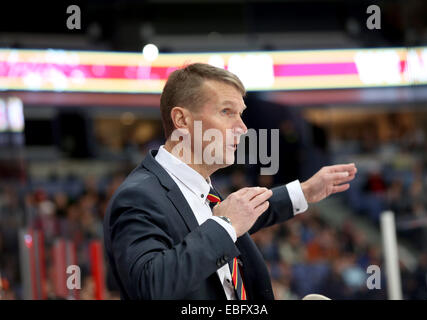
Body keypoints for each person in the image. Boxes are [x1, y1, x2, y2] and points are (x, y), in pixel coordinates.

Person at [103, 63, 357, 300]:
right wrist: (224, 224)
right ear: (182, 120)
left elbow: (243, 215)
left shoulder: (198, 187)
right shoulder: (138, 196)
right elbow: (150, 285)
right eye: (227, 112)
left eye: (241, 114)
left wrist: (303, 191)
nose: (243, 127)